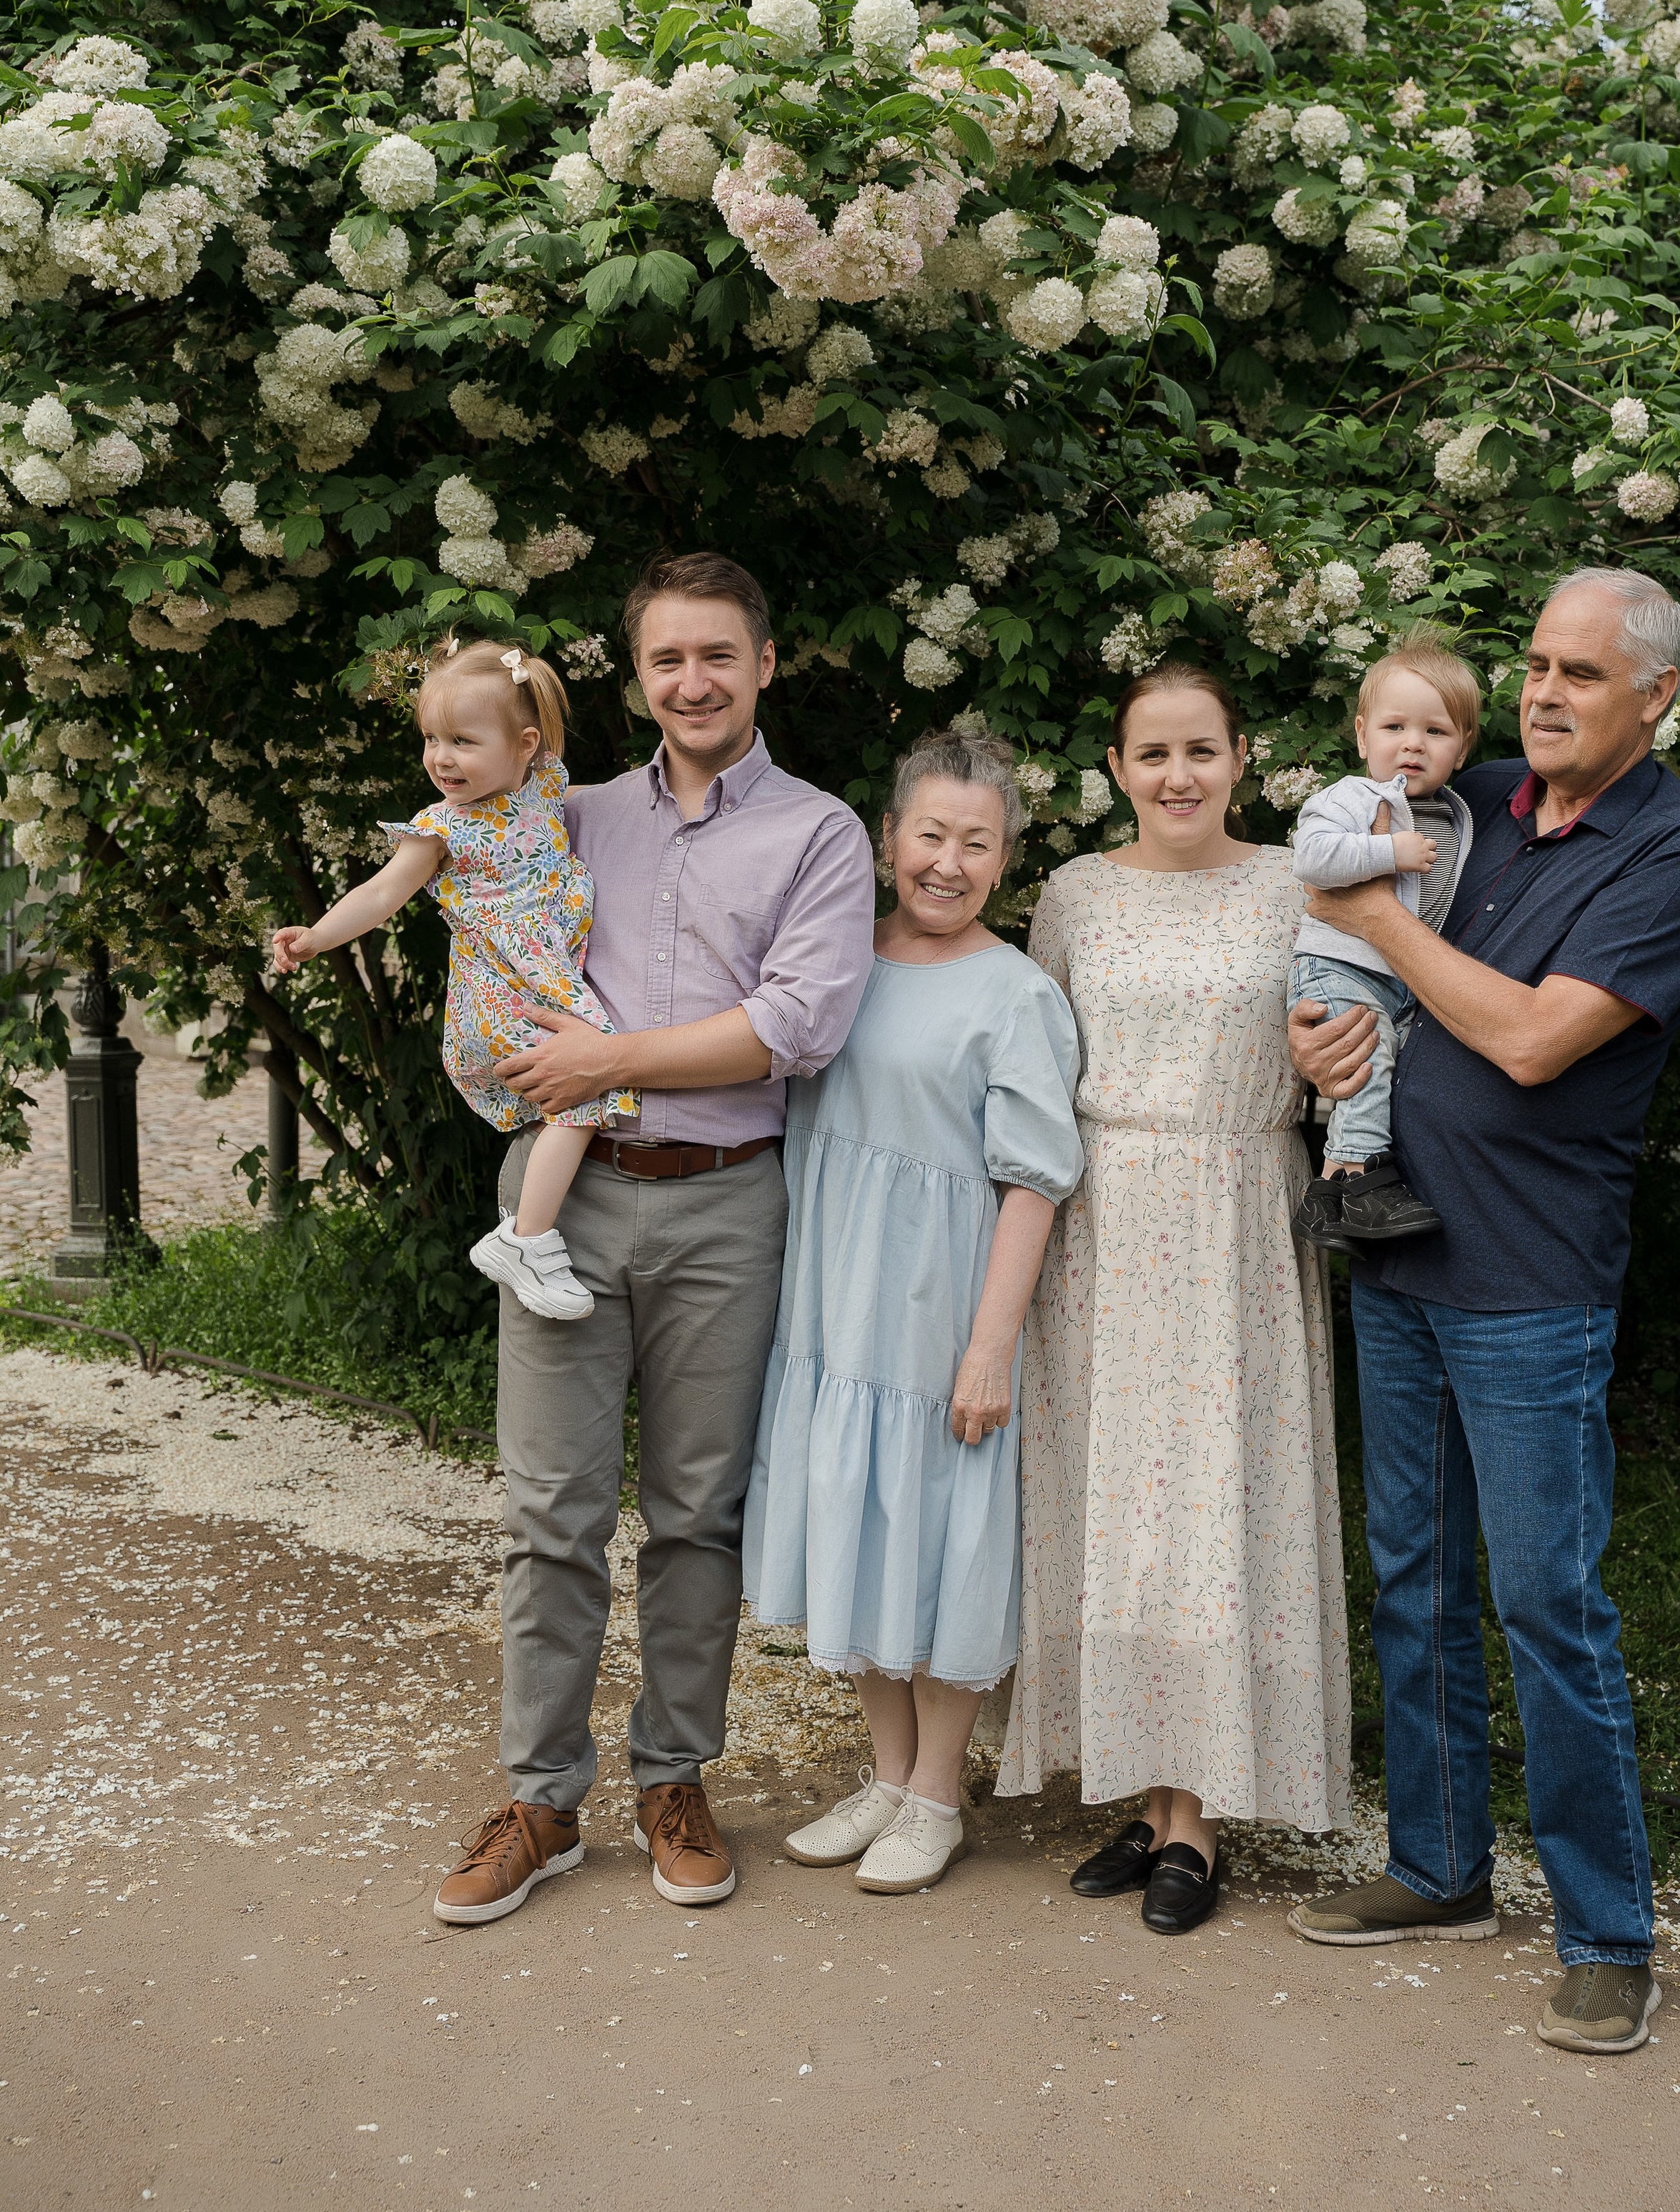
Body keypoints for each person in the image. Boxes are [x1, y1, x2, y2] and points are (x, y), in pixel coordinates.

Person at [1286, 569, 1680, 2057]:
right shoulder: (1470, 798)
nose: (1544, 694)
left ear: (1653, 699)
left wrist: (1372, 921)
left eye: (1582, 676)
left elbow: (1538, 1039)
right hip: (1397, 1243)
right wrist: (1326, 1016)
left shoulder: (1678, 853)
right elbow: (1351, 946)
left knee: (1546, 1602)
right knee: (1408, 1576)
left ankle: (1607, 1933)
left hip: (1531, 1280)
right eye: (1535, 667)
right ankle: (1435, 1872)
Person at [432, 552, 877, 1927]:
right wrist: (504, 1072)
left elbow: (796, 1024)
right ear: (637, 677)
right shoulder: (567, 813)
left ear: (764, 663)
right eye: (668, 659)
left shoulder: (820, 834)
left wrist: (611, 1054)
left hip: (730, 1202)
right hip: (561, 1200)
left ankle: (675, 1777)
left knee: (697, 1518)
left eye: (718, 656)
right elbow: (493, 949)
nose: (694, 681)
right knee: (549, 1517)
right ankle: (543, 1800)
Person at [997, 661, 1353, 1934]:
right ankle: (1149, 1796)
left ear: (1244, 757)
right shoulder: (1075, 897)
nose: (1178, 776)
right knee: (1114, 1517)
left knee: (1215, 1506)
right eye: (1152, 754)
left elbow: (1346, 1040)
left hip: (1236, 1218)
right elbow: (1035, 1068)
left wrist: (1329, 1062)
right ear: (1115, 768)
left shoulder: (1293, 888)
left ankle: (1200, 1814)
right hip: (1102, 1225)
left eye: (1201, 750)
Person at [744, 733, 1083, 1896]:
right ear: (888, 840)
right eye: (929, 835)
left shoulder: (1017, 993)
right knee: (853, 1525)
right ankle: (885, 1775)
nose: (948, 862)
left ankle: (938, 1791)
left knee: (942, 1554)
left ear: (1004, 861)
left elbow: (1035, 1179)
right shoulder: (833, 965)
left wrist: (991, 1348)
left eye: (975, 844)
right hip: (833, 1315)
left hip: (942, 1322)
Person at [270, 637, 640, 1320]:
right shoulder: (443, 828)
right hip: (498, 996)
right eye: (432, 739)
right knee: (590, 1091)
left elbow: (609, 800)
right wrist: (318, 935)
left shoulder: (544, 791)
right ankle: (527, 1239)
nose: (441, 758)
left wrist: (660, 792)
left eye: (463, 741)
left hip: (541, 985)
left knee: (586, 1092)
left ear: (525, 745)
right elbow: (382, 894)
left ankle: (530, 1228)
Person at [1288, 633, 1480, 1249]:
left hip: (1396, 976)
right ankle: (1365, 1185)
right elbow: (1313, 858)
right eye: (1395, 727)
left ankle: (1326, 1201)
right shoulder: (1352, 797)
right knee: (1369, 1066)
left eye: (1436, 732)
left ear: (1463, 746)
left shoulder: (1457, 813)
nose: (1413, 744)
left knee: (1376, 1075)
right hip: (1339, 965)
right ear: (1363, 734)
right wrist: (1387, 850)